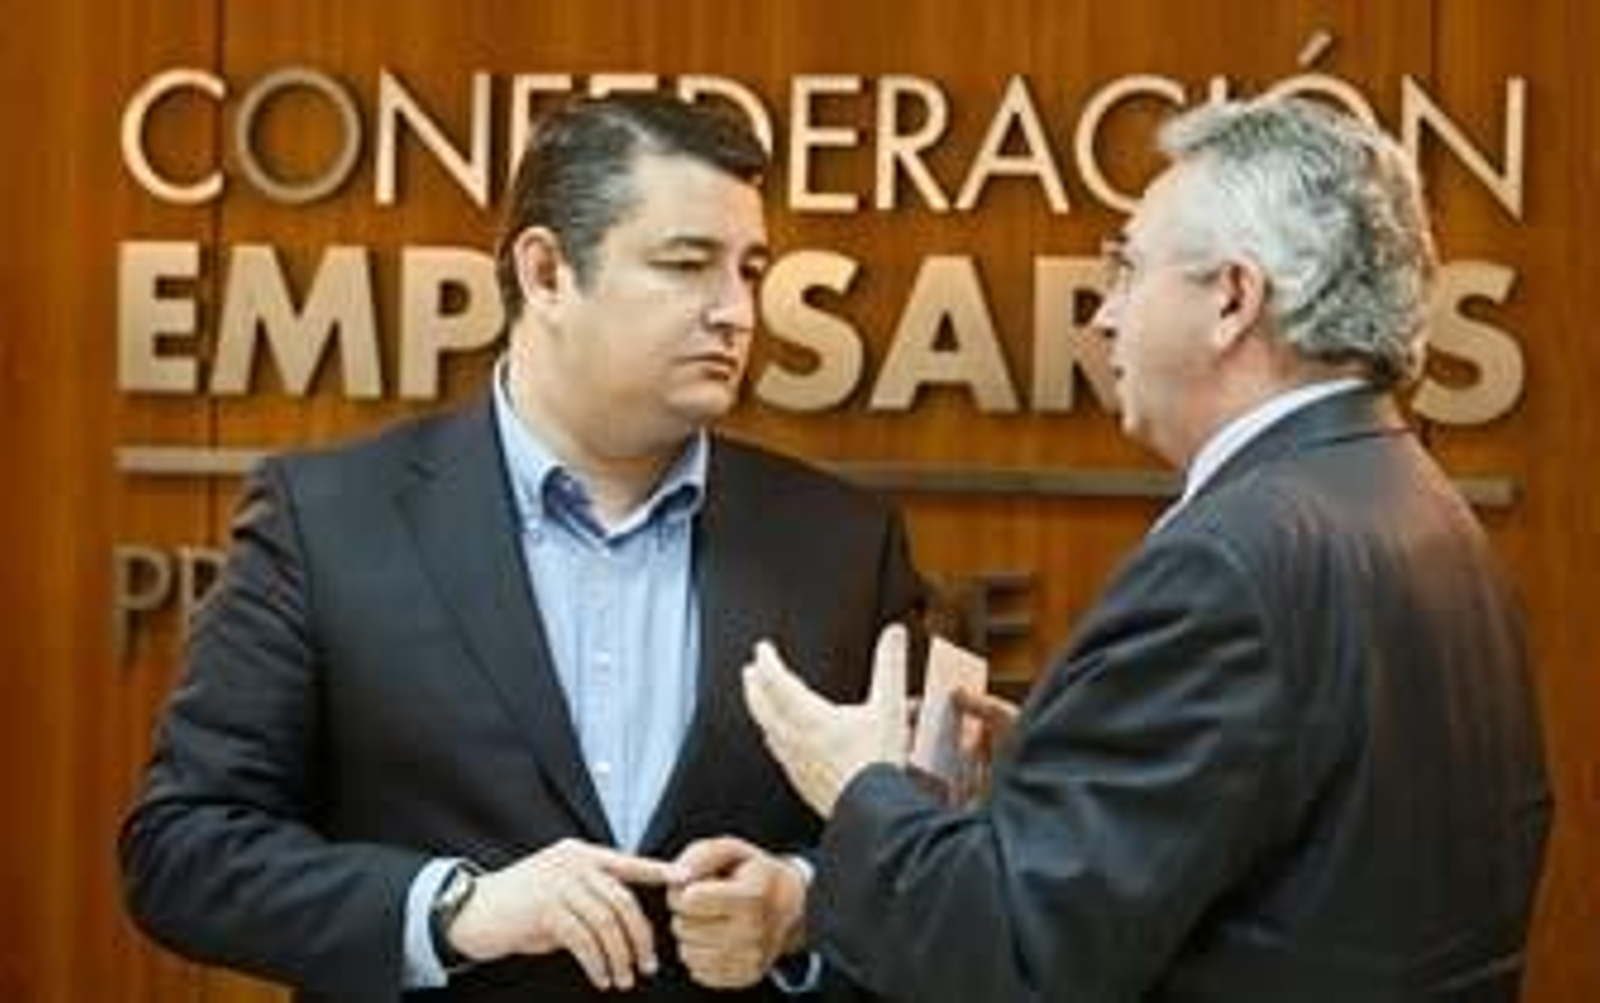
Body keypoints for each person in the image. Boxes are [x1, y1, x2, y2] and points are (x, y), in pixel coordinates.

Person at [743, 96, 1552, 1002]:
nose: (1102, 315)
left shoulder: (1229, 562)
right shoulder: (1416, 501)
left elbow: (1019, 956)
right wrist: (1052, 768)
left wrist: (860, 786)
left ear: (1233, 299)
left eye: (1127, 268)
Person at [120, 92, 924, 1003]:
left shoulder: (844, 544)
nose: (737, 311)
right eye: (688, 264)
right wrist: (454, 908)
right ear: (545, 272)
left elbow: (933, 854)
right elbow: (184, 849)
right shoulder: (328, 520)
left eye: (750, 270)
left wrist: (804, 903)